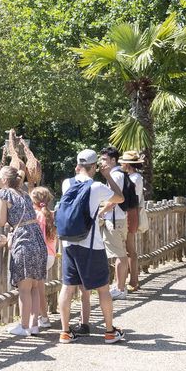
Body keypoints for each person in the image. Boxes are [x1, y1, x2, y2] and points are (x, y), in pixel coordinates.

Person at [59, 149, 125, 344]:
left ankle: (65, 332)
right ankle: (110, 331)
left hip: (69, 243)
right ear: (95, 166)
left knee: (67, 287)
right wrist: (107, 176)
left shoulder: (66, 184)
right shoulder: (96, 187)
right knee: (103, 289)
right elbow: (119, 198)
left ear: (78, 165)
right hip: (91, 245)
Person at [0, 166, 48, 336]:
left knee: (24, 289)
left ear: (4, 180)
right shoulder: (25, 194)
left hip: (24, 241)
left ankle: (24, 326)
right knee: (34, 286)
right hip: (37, 240)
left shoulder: (4, 194)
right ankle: (34, 325)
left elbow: (0, 220)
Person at [99, 146, 130, 300]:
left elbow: (113, 200)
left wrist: (100, 212)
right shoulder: (120, 174)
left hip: (114, 219)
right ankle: (120, 285)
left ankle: (120, 288)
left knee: (120, 255)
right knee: (121, 254)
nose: (102, 162)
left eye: (104, 159)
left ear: (113, 160)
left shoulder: (115, 175)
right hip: (119, 218)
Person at [30, 186, 56, 329]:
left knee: (37, 289)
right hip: (50, 255)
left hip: (40, 255)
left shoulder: (36, 216)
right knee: (39, 287)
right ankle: (41, 317)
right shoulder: (51, 215)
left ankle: (43, 318)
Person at [119, 150, 145, 291]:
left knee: (129, 248)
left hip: (130, 211)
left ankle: (133, 280)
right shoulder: (133, 177)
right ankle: (132, 279)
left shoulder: (134, 178)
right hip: (130, 211)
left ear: (127, 164)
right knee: (128, 248)